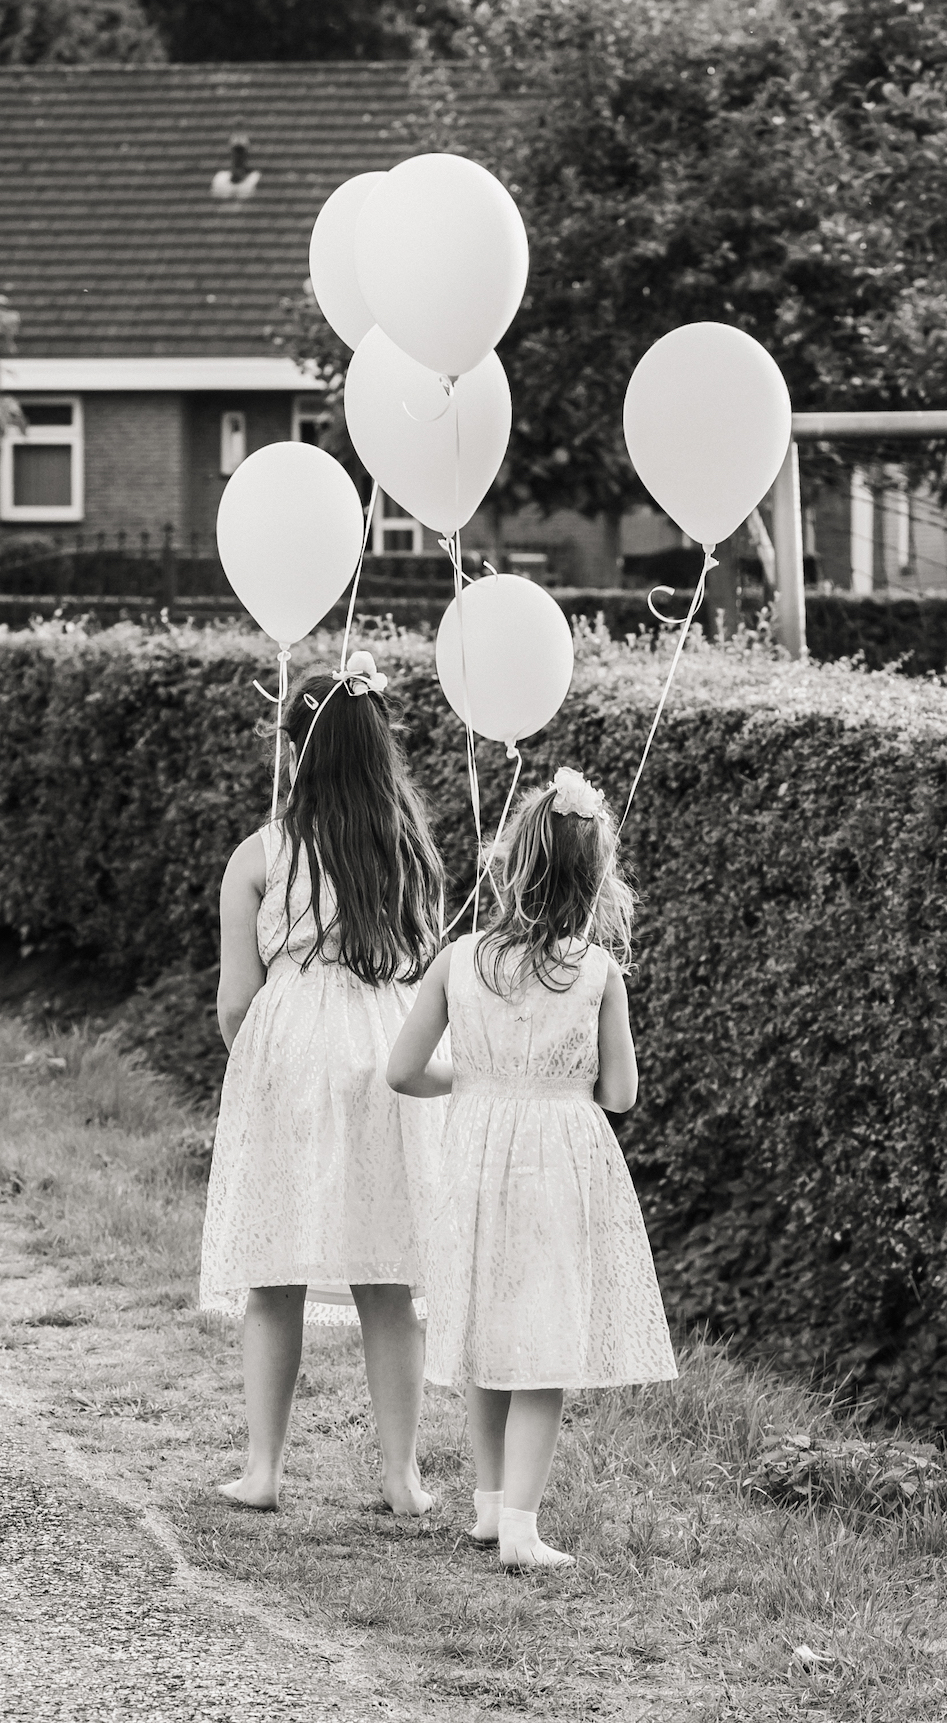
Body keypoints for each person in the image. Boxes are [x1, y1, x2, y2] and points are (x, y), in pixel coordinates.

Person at [386, 764, 677, 1568]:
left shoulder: (459, 960)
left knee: (485, 1331)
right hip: (556, 1163)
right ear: (595, 878)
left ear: (509, 862)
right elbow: (618, 1094)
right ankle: (520, 1526)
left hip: (474, 1154)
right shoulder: (596, 972)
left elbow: (403, 1071)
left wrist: (476, 1080)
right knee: (542, 1348)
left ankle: (487, 1507)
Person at [201, 649, 445, 1515]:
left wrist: (258, 1057)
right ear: (378, 748)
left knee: (273, 1273)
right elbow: (421, 970)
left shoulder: (260, 855)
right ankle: (402, 1478)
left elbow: (237, 999)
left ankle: (264, 1470)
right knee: (389, 1278)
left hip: (289, 1058)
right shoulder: (407, 850)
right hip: (383, 1052)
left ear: (298, 749)